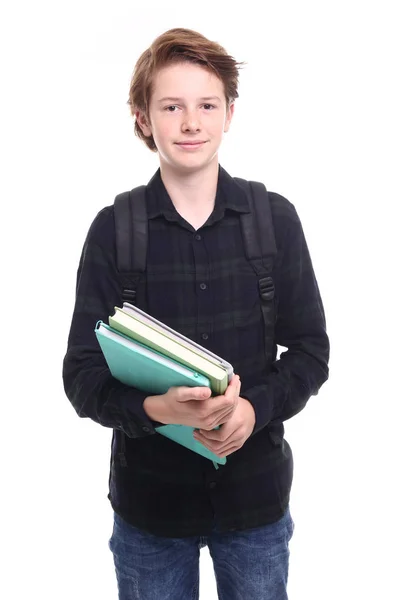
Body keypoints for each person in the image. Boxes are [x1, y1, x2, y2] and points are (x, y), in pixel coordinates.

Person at [62, 27, 330, 600]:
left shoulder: (273, 220)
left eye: (207, 105)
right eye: (171, 106)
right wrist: (155, 409)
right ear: (142, 118)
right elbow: (81, 375)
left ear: (230, 114)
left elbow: (311, 352)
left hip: (254, 502)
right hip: (150, 510)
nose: (191, 123)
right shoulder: (114, 231)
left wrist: (255, 409)